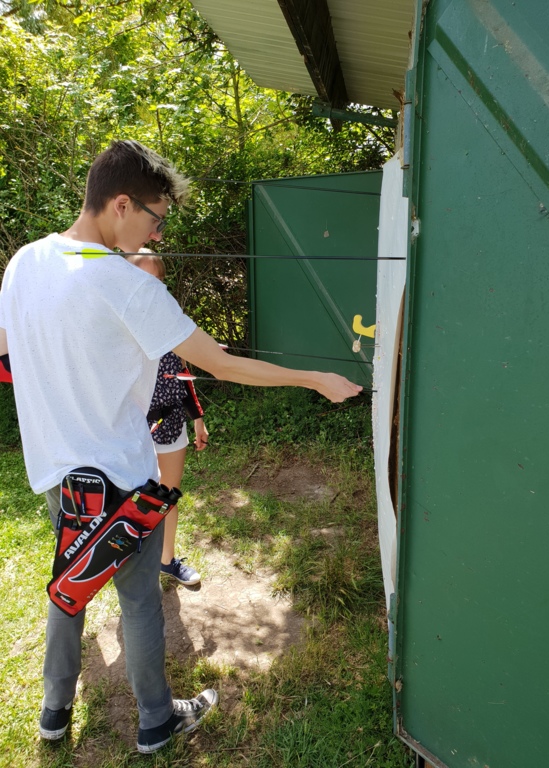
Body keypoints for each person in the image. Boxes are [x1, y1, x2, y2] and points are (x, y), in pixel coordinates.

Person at [0, 139, 362, 754]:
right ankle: (156, 721)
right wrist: (314, 378)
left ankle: (53, 714)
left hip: (59, 478)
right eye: (156, 218)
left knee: (71, 583)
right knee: (139, 601)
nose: (158, 234)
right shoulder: (127, 285)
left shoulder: (25, 261)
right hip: (121, 478)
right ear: (121, 204)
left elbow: (10, 354)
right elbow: (222, 364)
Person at [126, 251, 205, 586]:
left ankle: (165, 560)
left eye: (159, 280)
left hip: (171, 425)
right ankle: (131, 567)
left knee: (167, 497)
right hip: (131, 430)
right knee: (134, 500)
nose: (154, 288)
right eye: (146, 280)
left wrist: (197, 418)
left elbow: (182, 375)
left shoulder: (172, 322)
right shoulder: (116, 325)